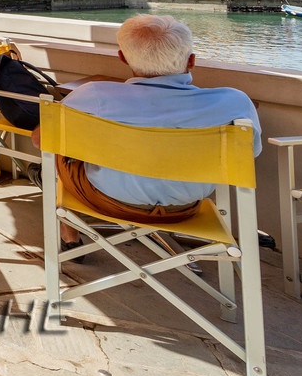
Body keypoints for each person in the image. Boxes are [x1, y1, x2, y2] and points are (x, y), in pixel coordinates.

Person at [36, 14, 261, 244]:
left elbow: (39, 139)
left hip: (108, 200)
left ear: (123, 58)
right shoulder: (235, 102)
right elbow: (247, 157)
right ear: (191, 60)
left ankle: (69, 233)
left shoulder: (94, 95)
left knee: (59, 148)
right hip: (185, 208)